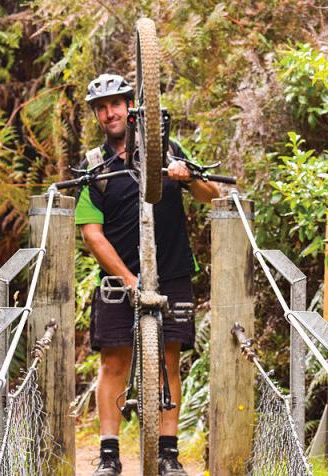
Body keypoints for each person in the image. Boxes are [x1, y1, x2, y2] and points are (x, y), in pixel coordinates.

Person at [75, 73, 220, 476]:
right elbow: (92, 234)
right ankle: (109, 456)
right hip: (117, 281)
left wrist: (187, 175)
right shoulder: (94, 165)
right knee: (113, 363)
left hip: (172, 272)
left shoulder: (167, 149)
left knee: (169, 361)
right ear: (97, 115)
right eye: (101, 108)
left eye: (116, 104)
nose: (109, 113)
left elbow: (212, 195)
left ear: (131, 107)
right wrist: (127, 278)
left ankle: (168, 454)